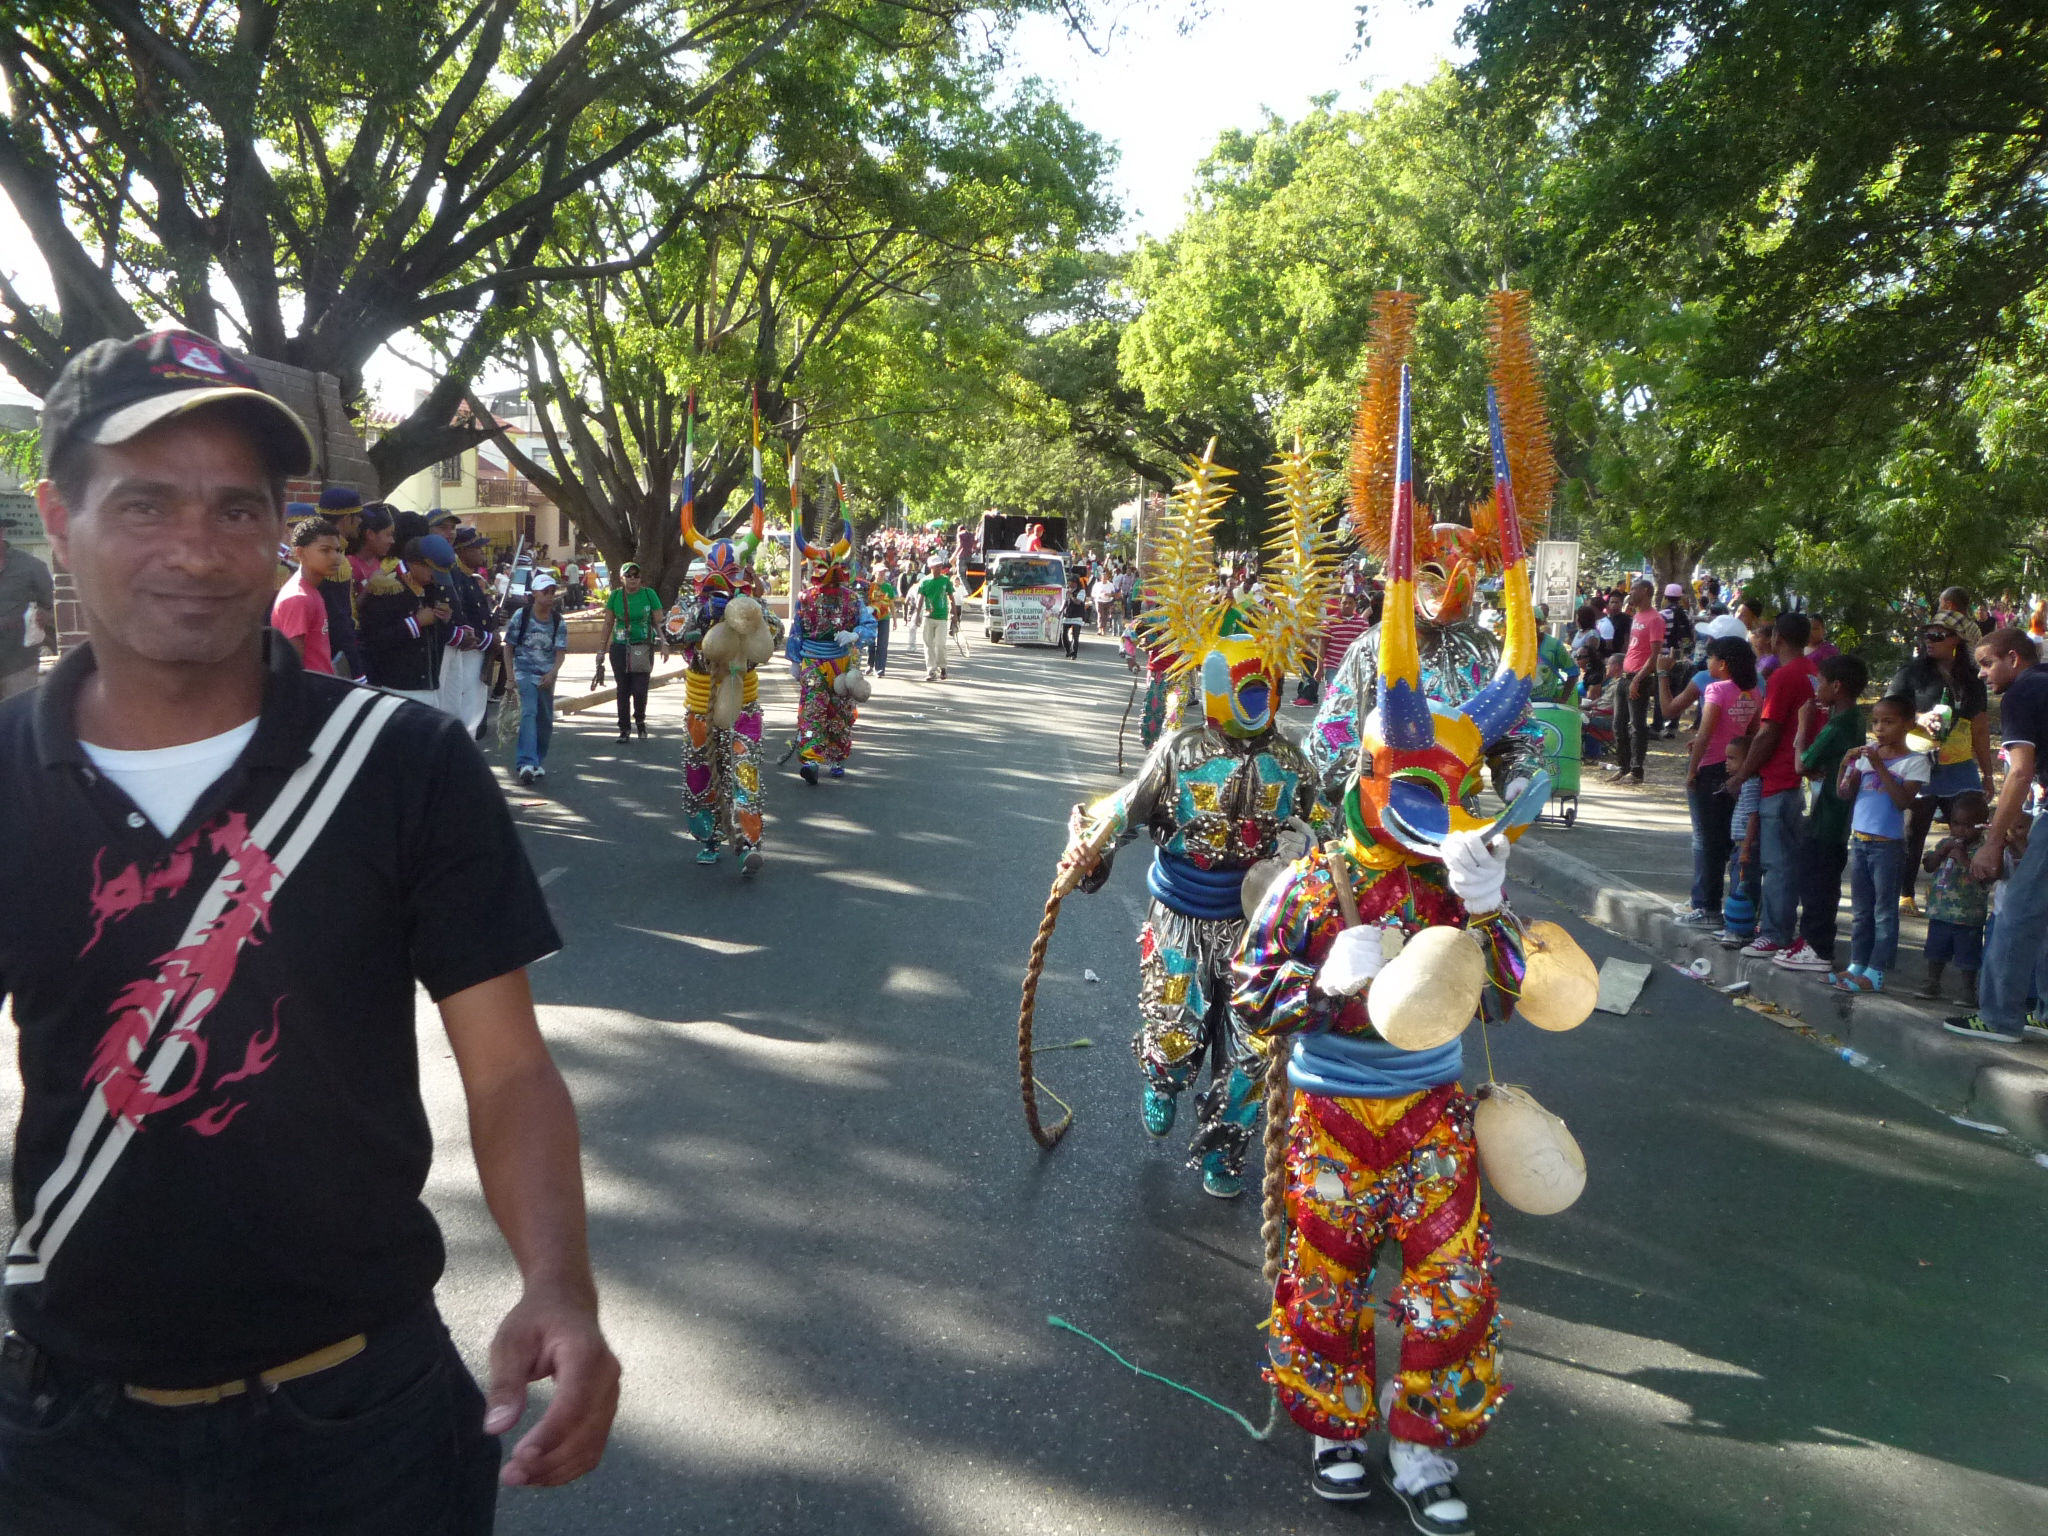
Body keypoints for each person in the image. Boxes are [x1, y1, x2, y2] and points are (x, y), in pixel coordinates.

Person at [3, 328, 616, 1532]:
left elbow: (507, 1070)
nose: (196, 549)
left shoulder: (402, 762)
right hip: (66, 1437)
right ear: (57, 515)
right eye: (143, 503)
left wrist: (560, 1283)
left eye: (238, 509)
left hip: (361, 1425)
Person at [1227, 376, 1573, 1528]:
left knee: (1449, 1284)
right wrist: (1316, 987)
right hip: (1329, 1115)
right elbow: (1253, 990)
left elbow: (1514, 996)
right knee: (1321, 1284)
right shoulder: (1320, 880)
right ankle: (1334, 1429)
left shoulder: (1450, 876)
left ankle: (1422, 1446)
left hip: (1429, 1115)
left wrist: (1485, 911)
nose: (1442, 583)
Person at [1061, 446, 1326, 1202]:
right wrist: (1092, 845)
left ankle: (1224, 1151)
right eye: (1237, 681)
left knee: (1249, 1055)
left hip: (1261, 930)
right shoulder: (1180, 749)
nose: (1251, 694)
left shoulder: (1293, 759)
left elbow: (1327, 836)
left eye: (1262, 682)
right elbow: (1129, 805)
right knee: (1175, 1033)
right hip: (1179, 913)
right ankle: (1163, 1082)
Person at [1947, 628, 2048, 1041]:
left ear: (2014, 657)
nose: (1983, 675)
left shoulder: (2023, 693)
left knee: (2017, 915)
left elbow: (2020, 771)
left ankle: (1998, 1018)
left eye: (1988, 664)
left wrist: (1992, 841)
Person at [673, 540, 780, 871]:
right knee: (699, 774)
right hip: (700, 708)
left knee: (746, 776)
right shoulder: (691, 604)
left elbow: (777, 632)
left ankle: (750, 844)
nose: (721, 583)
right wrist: (700, 618)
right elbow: (671, 631)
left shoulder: (755, 607)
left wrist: (751, 616)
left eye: (730, 574)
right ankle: (708, 839)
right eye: (715, 575)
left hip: (743, 707)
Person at [1889, 611, 1994, 911]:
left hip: (1960, 766)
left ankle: (1963, 890)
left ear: (1957, 641)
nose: (1929, 641)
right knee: (1914, 831)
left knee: (1970, 828)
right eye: (1927, 635)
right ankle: (1905, 893)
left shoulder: (1973, 678)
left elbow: (1981, 727)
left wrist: (1987, 774)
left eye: (1938, 635)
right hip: (1920, 762)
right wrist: (1921, 718)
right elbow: (1888, 712)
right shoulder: (1911, 673)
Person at [1727, 611, 1818, 958]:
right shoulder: (1812, 672)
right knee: (1787, 861)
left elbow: (1768, 733)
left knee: (1777, 864)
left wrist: (1742, 773)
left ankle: (1777, 933)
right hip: (1799, 777)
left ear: (1777, 638)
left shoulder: (1784, 676)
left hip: (1780, 778)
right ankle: (1780, 928)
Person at [1826, 695, 1931, 992]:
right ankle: (1857, 964)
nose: (1880, 728)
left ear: (1908, 724)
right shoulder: (1867, 756)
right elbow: (1845, 793)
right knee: (1861, 909)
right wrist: (1847, 764)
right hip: (1859, 841)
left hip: (1887, 845)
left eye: (1888, 721)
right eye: (1875, 722)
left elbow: (1902, 801)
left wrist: (1880, 767)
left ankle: (1876, 970)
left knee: (1884, 911)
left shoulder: (1915, 762)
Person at [1775, 654, 1870, 972]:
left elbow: (1802, 764)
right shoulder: (1853, 718)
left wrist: (1802, 725)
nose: (1816, 687)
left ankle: (1818, 947)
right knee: (1821, 880)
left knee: (1816, 883)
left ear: (1837, 686)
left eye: (1821, 681)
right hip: (1837, 812)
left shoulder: (1835, 727)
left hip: (1827, 817)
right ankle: (1810, 940)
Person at [1667, 637, 1760, 928]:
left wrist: (1691, 770)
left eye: (1710, 658)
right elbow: (1751, 732)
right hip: (1736, 766)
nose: (1707, 663)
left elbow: (1705, 734)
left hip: (1710, 768)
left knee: (1709, 840)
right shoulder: (1753, 692)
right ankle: (1733, 906)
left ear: (1723, 664)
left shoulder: (1716, 689)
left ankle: (1707, 908)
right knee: (1729, 840)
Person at [786, 518, 871, 782]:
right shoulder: (806, 598)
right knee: (813, 710)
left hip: (841, 665)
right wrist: (794, 659)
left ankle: (835, 758)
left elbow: (869, 624)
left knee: (840, 713)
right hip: (812, 662)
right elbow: (796, 630)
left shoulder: (852, 599)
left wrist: (856, 633)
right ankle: (811, 760)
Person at [360, 534, 453, 706]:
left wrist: (443, 619)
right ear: (415, 563)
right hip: (398, 688)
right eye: (432, 571)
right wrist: (415, 623)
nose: (434, 578)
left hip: (429, 683)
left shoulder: (428, 587)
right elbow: (374, 639)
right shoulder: (386, 587)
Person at [1920, 789, 1991, 1005]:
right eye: (1956, 823)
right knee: (1935, 950)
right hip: (1941, 911)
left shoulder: (1984, 849)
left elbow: (1984, 879)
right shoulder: (1945, 843)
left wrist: (1963, 859)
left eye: (1968, 826)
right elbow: (1929, 866)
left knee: (1968, 957)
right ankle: (1933, 982)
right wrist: (1941, 853)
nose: (1961, 830)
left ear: (1982, 825)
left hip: (1968, 915)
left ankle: (1968, 989)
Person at [504, 573, 568, 787]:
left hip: (546, 676)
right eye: (545, 592)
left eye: (552, 592)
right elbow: (509, 647)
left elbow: (560, 652)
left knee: (545, 719)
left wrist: (552, 673)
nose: (550, 596)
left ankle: (538, 760)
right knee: (529, 713)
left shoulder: (558, 621)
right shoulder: (520, 616)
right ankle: (526, 763)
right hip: (524, 672)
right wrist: (510, 678)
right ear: (534, 594)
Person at [438, 525, 498, 734]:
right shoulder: (457, 579)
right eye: (476, 549)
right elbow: (461, 617)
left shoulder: (470, 580)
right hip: (467, 651)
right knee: (465, 709)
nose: (482, 553)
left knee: (475, 708)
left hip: (478, 653)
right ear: (462, 551)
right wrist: (488, 639)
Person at [1604, 578, 1663, 784]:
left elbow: (1654, 655)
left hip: (1640, 678)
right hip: (1625, 675)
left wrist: (1638, 679)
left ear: (1646, 591)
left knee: (1637, 725)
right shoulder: (1637, 615)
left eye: (1635, 589)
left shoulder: (1655, 619)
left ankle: (1637, 770)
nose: (1630, 593)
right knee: (1618, 724)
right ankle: (1623, 765)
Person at [598, 562, 665, 743]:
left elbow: (657, 621)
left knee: (640, 688)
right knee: (623, 689)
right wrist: (601, 650)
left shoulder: (649, 594)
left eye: (636, 575)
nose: (633, 579)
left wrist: (664, 643)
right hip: (620, 647)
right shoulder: (615, 596)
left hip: (642, 647)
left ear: (640, 578)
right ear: (622, 578)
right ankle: (624, 729)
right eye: (629, 576)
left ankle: (640, 721)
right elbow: (608, 623)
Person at [271, 516, 345, 677]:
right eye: (325, 550)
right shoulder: (298, 598)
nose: (335, 557)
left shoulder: (311, 590)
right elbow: (291, 669)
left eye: (337, 550)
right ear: (300, 553)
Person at [0, 518, 57, 700]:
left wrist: (45, 617)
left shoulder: (30, 567)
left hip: (19, 663)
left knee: (18, 719)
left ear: (2, 532)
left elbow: (55, 608)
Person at [914, 553, 957, 683]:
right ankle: (931, 670)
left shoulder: (945, 580)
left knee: (940, 644)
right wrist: (917, 615)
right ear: (930, 567)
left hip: (942, 617)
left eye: (940, 566)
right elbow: (920, 599)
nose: (938, 568)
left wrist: (954, 614)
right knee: (928, 645)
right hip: (928, 616)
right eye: (936, 566)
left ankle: (942, 667)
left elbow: (951, 597)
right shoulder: (925, 581)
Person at [866, 569, 897, 677]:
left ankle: (880, 669)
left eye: (884, 572)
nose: (882, 574)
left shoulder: (888, 587)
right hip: (871, 618)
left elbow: (892, 604)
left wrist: (894, 619)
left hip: (884, 618)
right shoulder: (870, 586)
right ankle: (870, 664)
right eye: (880, 572)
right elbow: (866, 602)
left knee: (882, 644)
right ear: (874, 573)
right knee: (870, 642)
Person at [1060, 574, 1088, 658]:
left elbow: (1078, 602)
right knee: (1063, 634)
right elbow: (1064, 602)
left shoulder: (1081, 591)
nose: (1069, 584)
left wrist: (1071, 596)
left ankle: (1074, 653)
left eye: (1071, 583)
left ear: (1075, 583)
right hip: (1068, 614)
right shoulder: (1068, 590)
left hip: (1077, 615)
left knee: (1075, 635)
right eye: (1069, 583)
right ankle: (1068, 650)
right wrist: (1060, 611)